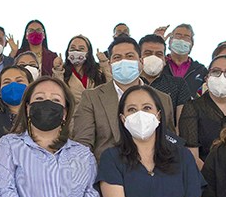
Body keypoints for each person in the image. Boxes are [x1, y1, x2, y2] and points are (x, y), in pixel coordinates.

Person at [74, 36, 176, 165]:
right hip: (106, 170)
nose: (123, 61)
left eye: (129, 56)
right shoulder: (92, 98)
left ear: (141, 62)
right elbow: (83, 144)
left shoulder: (163, 99)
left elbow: (169, 141)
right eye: (117, 57)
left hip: (153, 170)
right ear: (110, 65)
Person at [179, 55, 226, 166]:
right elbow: (192, 156)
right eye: (216, 71)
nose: (222, 77)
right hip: (204, 174)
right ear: (206, 79)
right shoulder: (192, 108)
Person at [139, 33, 192, 116]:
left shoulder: (178, 85)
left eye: (159, 54)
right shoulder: (130, 83)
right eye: (148, 53)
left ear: (164, 59)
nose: (153, 58)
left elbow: (183, 121)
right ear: (139, 58)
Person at [158, 24, 208, 98]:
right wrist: (157, 42)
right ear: (170, 41)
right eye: (178, 35)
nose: (182, 39)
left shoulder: (201, 70)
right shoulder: (160, 64)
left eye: (186, 37)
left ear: (192, 44)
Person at [62, 35, 107, 102]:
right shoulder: (62, 71)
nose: (76, 52)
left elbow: (111, 87)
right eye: (72, 49)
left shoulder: (97, 70)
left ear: (88, 53)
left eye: (81, 49)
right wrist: (58, 70)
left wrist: (104, 63)